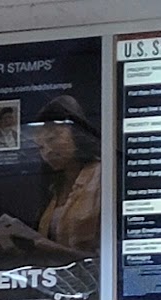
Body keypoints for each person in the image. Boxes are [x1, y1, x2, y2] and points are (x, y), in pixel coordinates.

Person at [31, 93, 102, 256]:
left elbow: (109, 252)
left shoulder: (101, 176)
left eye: (52, 138)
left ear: (77, 133)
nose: (47, 151)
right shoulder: (53, 188)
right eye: (40, 147)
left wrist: (58, 251)